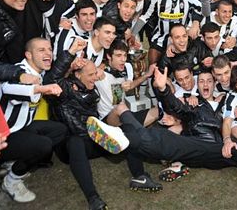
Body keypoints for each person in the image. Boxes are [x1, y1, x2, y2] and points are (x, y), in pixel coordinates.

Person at [87, 67, 237, 210]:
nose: (204, 84)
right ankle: (126, 135)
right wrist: (161, 89)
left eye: (208, 81)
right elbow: (175, 106)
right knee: (167, 141)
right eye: (200, 81)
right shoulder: (193, 106)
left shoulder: (227, 104)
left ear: (215, 84)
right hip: (196, 146)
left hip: (220, 149)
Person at [44, 38, 161, 210]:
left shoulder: (93, 92)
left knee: (126, 133)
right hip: (72, 146)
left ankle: (140, 176)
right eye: (90, 75)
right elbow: (51, 79)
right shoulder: (64, 90)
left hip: (95, 138)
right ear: (77, 74)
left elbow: (112, 86)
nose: (95, 78)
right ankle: (93, 199)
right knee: (75, 141)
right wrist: (70, 55)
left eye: (95, 74)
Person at [0, 38, 68, 203]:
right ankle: (12, 181)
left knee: (59, 130)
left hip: (21, 127)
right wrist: (39, 89)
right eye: (41, 50)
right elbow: (8, 88)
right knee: (42, 146)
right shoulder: (18, 71)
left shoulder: (39, 72)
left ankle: (13, 161)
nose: (48, 53)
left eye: (49, 49)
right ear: (28, 55)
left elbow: (57, 73)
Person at [133, 0, 203, 65]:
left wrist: (195, 24)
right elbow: (145, 16)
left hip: (180, 38)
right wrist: (132, 34)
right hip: (161, 36)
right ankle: (153, 78)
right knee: (153, 59)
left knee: (179, 66)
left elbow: (202, 10)